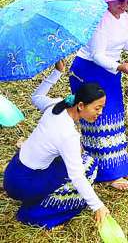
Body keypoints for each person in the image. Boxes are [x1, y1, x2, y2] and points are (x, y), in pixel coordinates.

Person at [3, 61, 109, 228]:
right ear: (81, 105)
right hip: (24, 184)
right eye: (97, 108)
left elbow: (36, 97)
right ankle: (35, 213)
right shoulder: (68, 135)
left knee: (78, 158)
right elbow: (77, 176)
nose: (100, 113)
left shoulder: (56, 105)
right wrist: (98, 206)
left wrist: (57, 72)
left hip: (12, 173)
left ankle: (36, 199)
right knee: (89, 166)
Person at [69, 0, 128, 190]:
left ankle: (114, 166)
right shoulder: (99, 19)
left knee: (113, 116)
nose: (124, 5)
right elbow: (97, 55)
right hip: (90, 70)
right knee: (99, 119)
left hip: (111, 71)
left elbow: (123, 43)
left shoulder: (123, 17)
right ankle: (103, 171)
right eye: (120, 1)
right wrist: (120, 66)